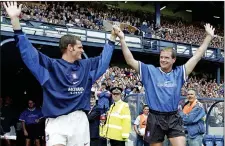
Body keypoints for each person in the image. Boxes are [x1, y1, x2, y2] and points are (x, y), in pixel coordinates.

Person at [3, 2, 123, 146]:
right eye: (80, 47)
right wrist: (15, 21)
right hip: (56, 122)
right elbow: (28, 53)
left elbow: (103, 62)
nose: (82, 50)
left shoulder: (86, 66)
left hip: (79, 121)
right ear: (70, 48)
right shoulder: (50, 66)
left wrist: (112, 38)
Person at [120, 19, 215, 146]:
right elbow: (130, 61)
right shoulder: (149, 71)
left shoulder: (179, 73)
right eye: (161, 57)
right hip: (154, 117)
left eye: (166, 58)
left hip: (173, 117)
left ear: (173, 60)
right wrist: (121, 39)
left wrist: (208, 37)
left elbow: (197, 56)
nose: (163, 60)